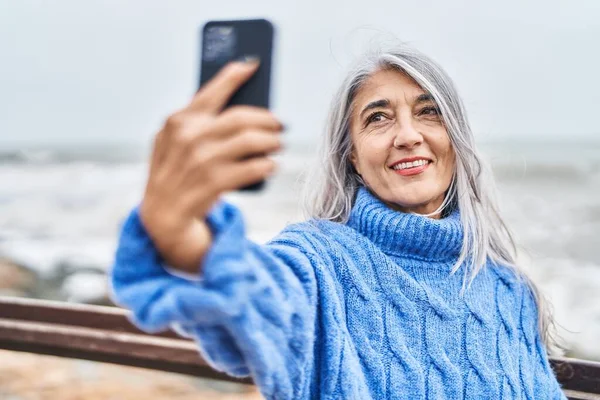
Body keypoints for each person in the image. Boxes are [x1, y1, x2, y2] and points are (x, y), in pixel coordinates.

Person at [109, 45, 567, 399]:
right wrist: (182, 233)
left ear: (455, 137)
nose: (408, 136)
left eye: (428, 112)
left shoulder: (510, 290)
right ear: (352, 156)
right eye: (378, 118)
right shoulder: (322, 261)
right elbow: (263, 299)